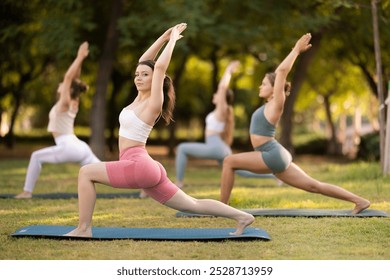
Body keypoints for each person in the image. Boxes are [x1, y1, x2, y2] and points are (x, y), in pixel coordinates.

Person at [65, 23, 254, 238]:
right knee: (192, 204)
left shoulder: (153, 103)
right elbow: (144, 60)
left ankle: (83, 229)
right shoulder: (138, 99)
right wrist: (163, 37)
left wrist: (173, 40)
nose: (138, 77)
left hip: (139, 166)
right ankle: (242, 216)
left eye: (144, 75)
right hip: (145, 166)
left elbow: (160, 68)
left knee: (86, 173)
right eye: (137, 75)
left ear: (155, 79)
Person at [220, 33, 370, 214]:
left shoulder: (276, 104)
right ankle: (359, 201)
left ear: (275, 89)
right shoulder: (268, 105)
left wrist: (296, 50)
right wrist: (294, 50)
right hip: (273, 154)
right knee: (314, 186)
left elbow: (282, 72)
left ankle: (223, 208)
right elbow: (279, 72)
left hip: (271, 153)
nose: (260, 86)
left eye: (264, 84)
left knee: (229, 161)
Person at [174, 60, 281, 190]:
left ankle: (179, 183)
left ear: (222, 98)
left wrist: (228, 71)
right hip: (219, 147)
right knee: (241, 172)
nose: (215, 95)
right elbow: (221, 90)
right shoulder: (219, 112)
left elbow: (222, 88)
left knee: (182, 148)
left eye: (218, 94)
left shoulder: (221, 110)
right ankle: (274, 175)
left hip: (216, 147)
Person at [15, 42, 100, 199]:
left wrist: (80, 56)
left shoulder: (64, 103)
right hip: (80, 147)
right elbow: (74, 78)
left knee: (36, 156)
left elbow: (69, 77)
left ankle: (27, 192)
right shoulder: (74, 102)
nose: (61, 85)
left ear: (67, 90)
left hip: (68, 146)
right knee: (106, 171)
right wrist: (80, 60)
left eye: (63, 85)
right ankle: (142, 187)